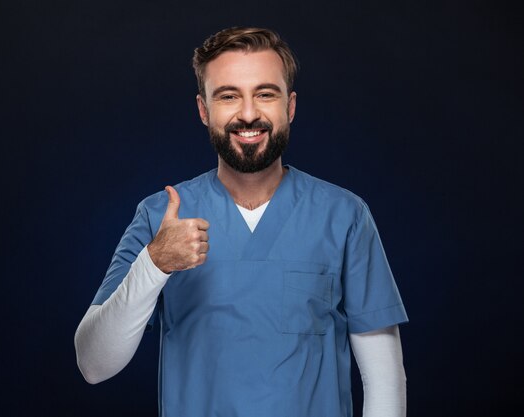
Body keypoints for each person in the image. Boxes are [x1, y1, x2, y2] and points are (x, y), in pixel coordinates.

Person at [75, 27, 408, 417]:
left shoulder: (345, 217)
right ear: (203, 110)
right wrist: (154, 264)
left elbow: (384, 379)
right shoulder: (160, 217)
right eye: (228, 96)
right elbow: (93, 364)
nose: (248, 113)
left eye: (265, 94)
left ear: (291, 106)